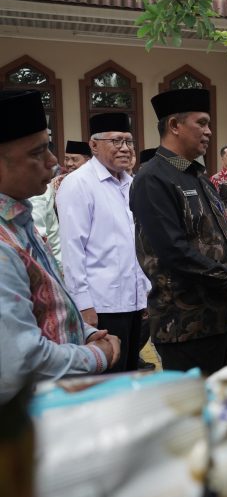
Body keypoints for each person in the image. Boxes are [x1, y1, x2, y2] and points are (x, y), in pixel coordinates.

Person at [0, 90, 119, 403]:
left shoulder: (18, 219)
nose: (53, 161)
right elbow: (19, 364)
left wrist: (83, 331)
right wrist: (97, 355)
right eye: (38, 152)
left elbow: (45, 304)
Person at [130, 89, 227, 374]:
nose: (209, 131)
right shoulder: (152, 178)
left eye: (209, 124)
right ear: (174, 125)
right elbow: (173, 252)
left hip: (219, 319)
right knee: (194, 400)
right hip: (182, 326)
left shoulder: (196, 174)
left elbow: (220, 235)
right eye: (201, 123)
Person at [56, 113, 150, 372]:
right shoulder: (78, 184)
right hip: (101, 306)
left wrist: (144, 293)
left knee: (129, 375)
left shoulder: (131, 183)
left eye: (129, 141)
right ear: (94, 145)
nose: (125, 148)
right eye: (116, 141)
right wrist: (83, 305)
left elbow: (135, 243)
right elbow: (72, 249)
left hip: (133, 301)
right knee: (108, 381)